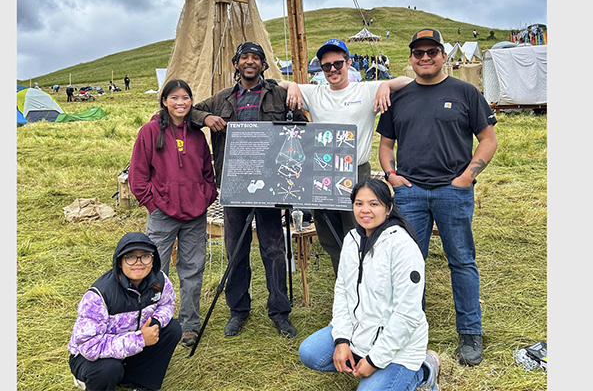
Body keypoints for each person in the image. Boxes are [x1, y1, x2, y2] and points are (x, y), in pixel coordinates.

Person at [376, 28, 498, 366]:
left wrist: (466, 177)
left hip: (452, 192)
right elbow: (386, 145)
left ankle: (470, 333)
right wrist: (392, 176)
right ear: (411, 58)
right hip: (410, 193)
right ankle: (411, 331)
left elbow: (488, 139)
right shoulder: (399, 98)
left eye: (432, 51)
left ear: (443, 56)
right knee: (410, 265)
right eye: (418, 52)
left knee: (461, 261)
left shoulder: (465, 92)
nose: (425, 57)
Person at [189, 41, 307, 339]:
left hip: (271, 184)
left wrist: (295, 103)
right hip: (234, 183)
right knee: (236, 250)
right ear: (236, 63)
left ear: (263, 64)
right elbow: (190, 111)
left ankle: (280, 311)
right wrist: (206, 118)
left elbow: (303, 126)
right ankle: (238, 310)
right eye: (244, 58)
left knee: (274, 249)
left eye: (255, 58)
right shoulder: (222, 98)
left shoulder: (278, 94)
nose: (250, 62)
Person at [277, 38, 411, 275]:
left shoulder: (365, 90)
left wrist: (385, 85)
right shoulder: (315, 92)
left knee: (359, 229)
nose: (332, 70)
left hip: (355, 171)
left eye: (338, 64)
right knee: (329, 232)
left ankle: (366, 282)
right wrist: (293, 86)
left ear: (349, 63)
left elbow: (408, 81)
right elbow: (277, 82)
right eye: (326, 66)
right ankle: (344, 283)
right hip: (322, 172)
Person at [298, 179, 441, 391]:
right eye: (359, 204)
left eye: (374, 204)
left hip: (398, 347)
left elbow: (408, 314)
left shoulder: (402, 246)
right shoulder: (352, 239)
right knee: (309, 352)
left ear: (388, 208)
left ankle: (424, 371)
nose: (365, 210)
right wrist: (342, 340)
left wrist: (374, 361)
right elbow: (343, 292)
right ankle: (367, 364)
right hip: (360, 334)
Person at [129, 79, 219, 349]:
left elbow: (206, 171)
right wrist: (152, 205)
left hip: (194, 214)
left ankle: (189, 324)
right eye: (174, 97)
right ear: (164, 101)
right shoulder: (149, 131)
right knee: (155, 271)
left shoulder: (197, 135)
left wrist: (206, 196)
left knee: (192, 269)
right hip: (162, 215)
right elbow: (138, 175)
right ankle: (153, 324)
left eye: (185, 97)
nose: (180, 103)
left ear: (191, 101)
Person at [68, 231, 181, 391]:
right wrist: (140, 339)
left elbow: (167, 304)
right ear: (119, 261)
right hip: (88, 357)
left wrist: (155, 322)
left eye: (145, 256)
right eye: (131, 256)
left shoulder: (160, 280)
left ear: (152, 259)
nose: (139, 262)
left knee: (172, 329)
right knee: (108, 369)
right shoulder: (99, 295)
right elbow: (88, 345)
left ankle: (140, 382)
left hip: (129, 346)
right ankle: (90, 381)